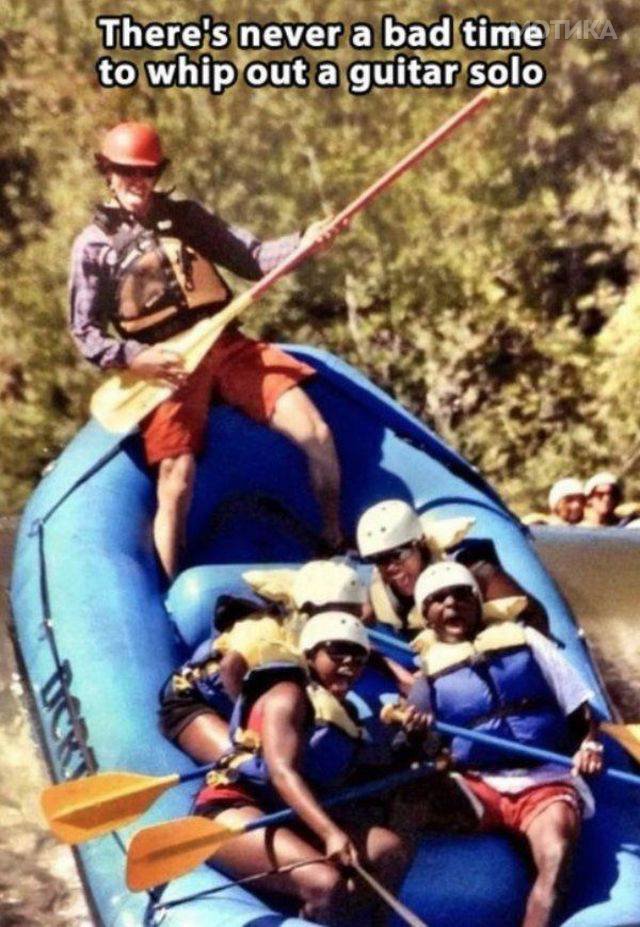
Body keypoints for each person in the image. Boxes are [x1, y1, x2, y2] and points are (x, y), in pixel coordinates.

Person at [69, 121, 344, 579]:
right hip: (166, 364)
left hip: (224, 343)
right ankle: (170, 582)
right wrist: (135, 357)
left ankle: (333, 541)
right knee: (175, 477)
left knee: (314, 431)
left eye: (147, 172)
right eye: (127, 172)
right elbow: (85, 333)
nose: (138, 182)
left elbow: (253, 258)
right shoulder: (92, 247)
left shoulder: (185, 217)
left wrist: (306, 241)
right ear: (108, 173)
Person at [193, 611, 425, 925]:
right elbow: (281, 772)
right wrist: (330, 833)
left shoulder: (342, 712)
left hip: (286, 815)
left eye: (358, 657)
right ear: (311, 654)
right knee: (326, 884)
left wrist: (413, 738)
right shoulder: (287, 694)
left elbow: (369, 771)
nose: (349, 664)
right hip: (233, 807)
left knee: (389, 850)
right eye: (337, 652)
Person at [409, 561, 603, 927]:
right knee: (406, 804)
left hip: (543, 782)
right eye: (438, 599)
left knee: (556, 856)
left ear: (477, 602)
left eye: (461, 595)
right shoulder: (427, 677)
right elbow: (417, 746)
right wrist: (419, 735)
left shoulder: (527, 640)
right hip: (479, 786)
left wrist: (589, 745)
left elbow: (581, 705)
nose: (451, 604)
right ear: (427, 616)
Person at [356, 499, 549, 636]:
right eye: (380, 559)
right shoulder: (375, 594)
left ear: (421, 544)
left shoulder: (473, 571)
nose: (391, 567)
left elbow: (535, 617)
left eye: (399, 554)